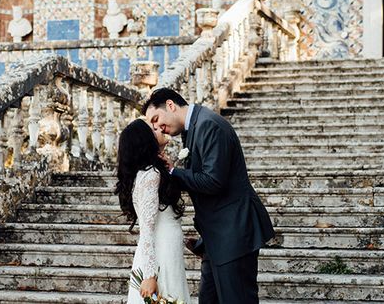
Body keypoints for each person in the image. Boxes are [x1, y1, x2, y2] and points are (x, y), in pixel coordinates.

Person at [144, 88, 274, 304]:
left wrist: (173, 173)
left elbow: (214, 181)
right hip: (216, 239)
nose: (158, 128)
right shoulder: (196, 127)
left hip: (234, 233)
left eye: (157, 119)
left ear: (170, 105)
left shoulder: (209, 125)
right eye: (154, 126)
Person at [115, 118, 192, 304]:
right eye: (153, 129)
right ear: (145, 140)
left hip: (168, 249)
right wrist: (150, 275)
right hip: (159, 254)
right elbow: (147, 229)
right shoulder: (150, 175)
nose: (159, 128)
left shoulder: (154, 171)